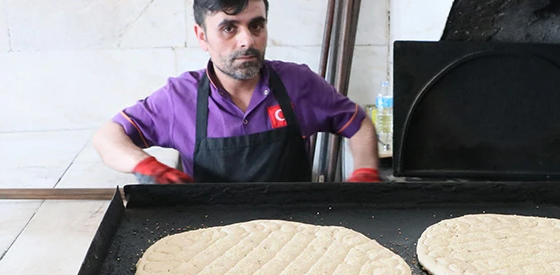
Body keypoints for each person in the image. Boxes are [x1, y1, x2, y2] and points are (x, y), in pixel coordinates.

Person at [92, 0, 381, 184]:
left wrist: (365, 171)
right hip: (209, 234)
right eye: (229, 28)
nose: (247, 41)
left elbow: (358, 124)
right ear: (202, 36)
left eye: (256, 25)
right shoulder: (180, 98)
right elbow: (108, 136)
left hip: (296, 233)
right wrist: (146, 166)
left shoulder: (298, 83)